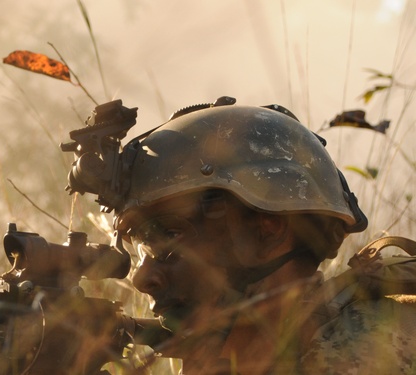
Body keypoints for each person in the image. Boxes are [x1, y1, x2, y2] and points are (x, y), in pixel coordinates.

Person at [100, 97, 416, 374]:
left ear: (267, 231)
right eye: (140, 246)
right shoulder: (239, 353)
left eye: (169, 236)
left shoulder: (365, 345)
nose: (142, 278)